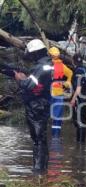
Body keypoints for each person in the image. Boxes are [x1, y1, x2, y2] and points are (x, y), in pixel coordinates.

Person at [14, 39, 53, 174]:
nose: (30, 56)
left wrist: (20, 79)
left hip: (36, 106)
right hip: (42, 104)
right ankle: (42, 171)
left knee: (38, 139)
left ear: (35, 53)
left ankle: (38, 171)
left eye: (31, 54)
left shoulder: (40, 67)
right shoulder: (47, 65)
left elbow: (29, 86)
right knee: (41, 138)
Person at [48, 47, 73, 138]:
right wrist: (67, 83)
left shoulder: (46, 64)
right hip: (58, 94)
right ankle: (56, 137)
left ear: (50, 55)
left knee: (45, 115)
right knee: (57, 117)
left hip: (48, 93)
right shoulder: (61, 66)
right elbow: (70, 73)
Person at [70, 54, 86, 143]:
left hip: (79, 99)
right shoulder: (85, 70)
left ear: (73, 61)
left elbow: (78, 88)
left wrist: (73, 99)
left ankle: (80, 143)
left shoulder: (78, 71)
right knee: (82, 121)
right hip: (84, 98)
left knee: (79, 122)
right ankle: (81, 144)